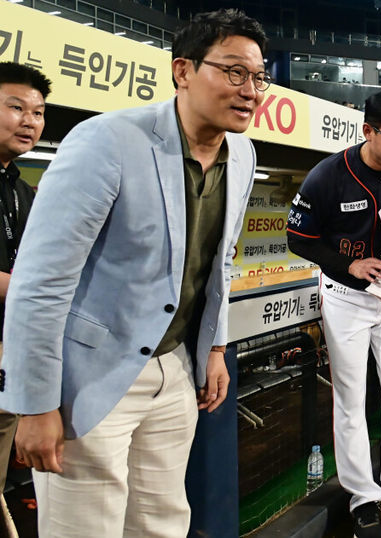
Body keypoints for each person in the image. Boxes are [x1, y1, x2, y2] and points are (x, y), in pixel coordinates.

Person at [0, 10, 264, 535]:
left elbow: (220, 260)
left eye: (259, 77)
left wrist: (214, 347)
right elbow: (40, 281)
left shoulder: (243, 153)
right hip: (89, 377)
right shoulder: (107, 141)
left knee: (162, 524)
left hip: (176, 371)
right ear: (183, 71)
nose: (250, 90)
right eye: (234, 72)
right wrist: (34, 403)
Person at [287, 88, 381, 536]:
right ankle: (363, 496)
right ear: (368, 130)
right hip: (346, 297)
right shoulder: (328, 176)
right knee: (351, 399)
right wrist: (349, 263)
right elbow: (300, 238)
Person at [0, 61, 49, 530]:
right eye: (16, 107)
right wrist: (37, 290)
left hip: (11, 351)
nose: (30, 120)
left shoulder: (21, 186)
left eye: (37, 111)